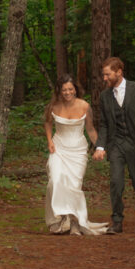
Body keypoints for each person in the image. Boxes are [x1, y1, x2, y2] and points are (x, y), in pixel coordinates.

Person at [92, 56, 135, 234]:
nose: (104, 78)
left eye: (107, 75)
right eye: (103, 75)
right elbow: (104, 123)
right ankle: (117, 221)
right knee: (116, 182)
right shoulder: (105, 96)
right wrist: (100, 146)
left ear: (119, 72)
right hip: (116, 145)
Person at [43, 74, 109, 235]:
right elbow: (47, 123)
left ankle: (74, 222)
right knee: (55, 180)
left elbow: (91, 129)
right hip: (59, 149)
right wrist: (49, 140)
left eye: (70, 89)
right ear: (59, 90)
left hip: (78, 150)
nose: (67, 92)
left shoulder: (84, 106)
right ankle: (61, 218)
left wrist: (100, 146)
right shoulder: (53, 106)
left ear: (75, 89)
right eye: (64, 89)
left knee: (74, 186)